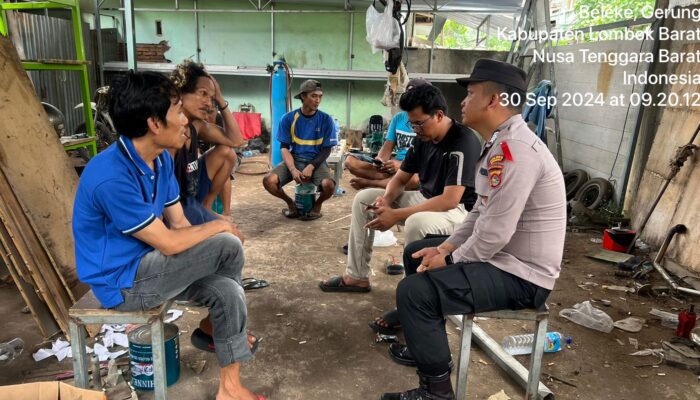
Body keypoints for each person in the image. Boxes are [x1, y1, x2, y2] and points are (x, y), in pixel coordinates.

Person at [380, 59, 566, 400]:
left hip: (523, 276)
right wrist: (447, 248)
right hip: (504, 258)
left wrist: (450, 261)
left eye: (470, 93)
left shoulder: (515, 151)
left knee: (414, 292)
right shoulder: (500, 142)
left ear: (493, 101)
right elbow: (480, 211)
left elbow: (494, 232)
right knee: (416, 252)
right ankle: (425, 346)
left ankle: (436, 392)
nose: (463, 102)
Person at [72, 71, 264, 400]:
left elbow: (179, 225)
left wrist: (210, 237)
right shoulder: (110, 176)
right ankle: (218, 329)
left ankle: (229, 389)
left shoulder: (159, 160)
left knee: (228, 292)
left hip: (153, 265)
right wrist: (220, 224)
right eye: (177, 110)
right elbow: (168, 242)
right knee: (227, 243)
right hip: (123, 283)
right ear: (154, 124)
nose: (185, 120)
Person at [319, 83, 481, 293]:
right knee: (364, 199)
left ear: (439, 115)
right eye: (412, 124)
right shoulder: (423, 137)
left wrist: (396, 214)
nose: (415, 129)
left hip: (458, 211)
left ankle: (411, 295)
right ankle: (356, 276)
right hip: (427, 198)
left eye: (419, 124)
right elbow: (401, 178)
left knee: (416, 222)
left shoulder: (463, 141)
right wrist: (385, 201)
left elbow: (450, 200)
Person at [170, 60, 245, 223]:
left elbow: (236, 140)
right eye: (203, 93)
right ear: (181, 92)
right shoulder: (168, 133)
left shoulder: (197, 125)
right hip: (176, 204)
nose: (208, 103)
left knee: (227, 153)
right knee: (230, 234)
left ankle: (206, 206)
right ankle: (202, 214)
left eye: (211, 98)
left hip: (192, 194)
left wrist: (220, 99)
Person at [262, 79, 337, 221]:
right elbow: (284, 148)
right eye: (313, 96)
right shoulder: (288, 119)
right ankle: (291, 204)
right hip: (295, 159)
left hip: (316, 161)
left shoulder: (326, 120)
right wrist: (292, 169)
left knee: (329, 185)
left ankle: (317, 205)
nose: (318, 100)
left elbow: (327, 149)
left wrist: (311, 166)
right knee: (269, 181)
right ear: (303, 96)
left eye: (320, 96)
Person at [344, 79, 430, 191]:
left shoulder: (429, 120)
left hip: (414, 170)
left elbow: (429, 159)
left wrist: (401, 165)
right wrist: (380, 160)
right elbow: (387, 147)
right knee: (350, 162)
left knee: (415, 179)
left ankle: (372, 183)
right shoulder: (398, 118)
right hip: (394, 169)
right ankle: (391, 181)